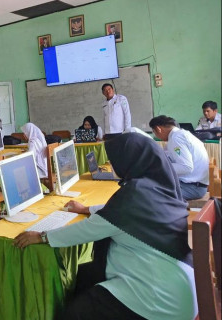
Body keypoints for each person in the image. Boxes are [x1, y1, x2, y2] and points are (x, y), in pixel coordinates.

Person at [14, 133, 197, 320]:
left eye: (115, 160)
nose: (111, 164)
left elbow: (88, 230)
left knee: (76, 312)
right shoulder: (158, 188)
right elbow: (124, 212)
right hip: (179, 286)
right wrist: (87, 208)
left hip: (159, 300)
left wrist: (42, 237)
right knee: (85, 276)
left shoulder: (134, 195)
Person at [150, 115, 209, 201]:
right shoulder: (180, 135)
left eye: (154, 131)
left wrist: (160, 167)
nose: (155, 135)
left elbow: (186, 167)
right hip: (194, 184)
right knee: (151, 185)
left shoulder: (176, 138)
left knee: (149, 194)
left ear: (158, 129)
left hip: (192, 187)